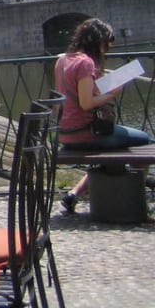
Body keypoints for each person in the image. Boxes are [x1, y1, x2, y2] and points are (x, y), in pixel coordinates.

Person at [55, 17, 152, 213]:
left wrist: (103, 87)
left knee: (114, 153)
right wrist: (112, 93)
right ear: (98, 42)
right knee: (145, 140)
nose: (106, 50)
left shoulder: (63, 59)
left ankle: (74, 193)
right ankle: (132, 195)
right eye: (106, 45)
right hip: (87, 132)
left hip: (66, 132)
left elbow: (77, 95)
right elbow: (86, 103)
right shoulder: (86, 63)